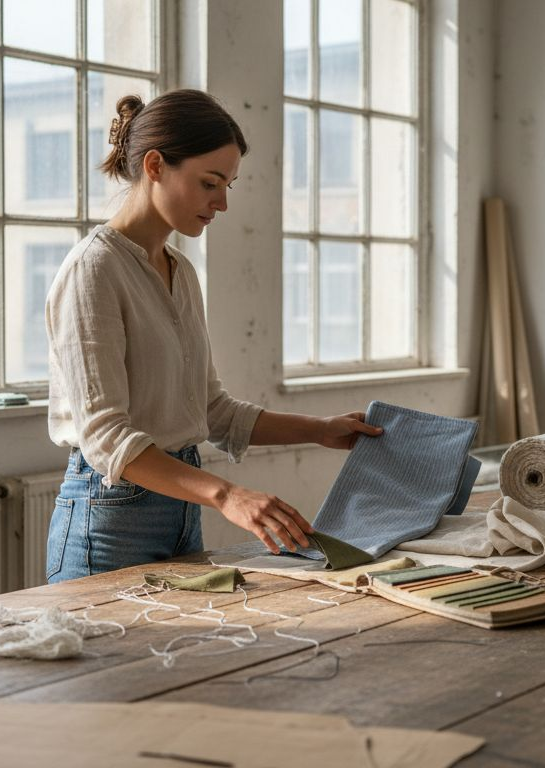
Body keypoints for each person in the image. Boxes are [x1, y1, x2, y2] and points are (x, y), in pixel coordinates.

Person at [44, 89, 381, 583]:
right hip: (110, 520)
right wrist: (227, 495)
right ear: (155, 166)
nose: (221, 203)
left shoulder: (180, 271)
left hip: (182, 509)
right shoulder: (92, 270)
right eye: (209, 183)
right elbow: (107, 438)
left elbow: (210, 409)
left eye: (228, 186)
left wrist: (320, 429)